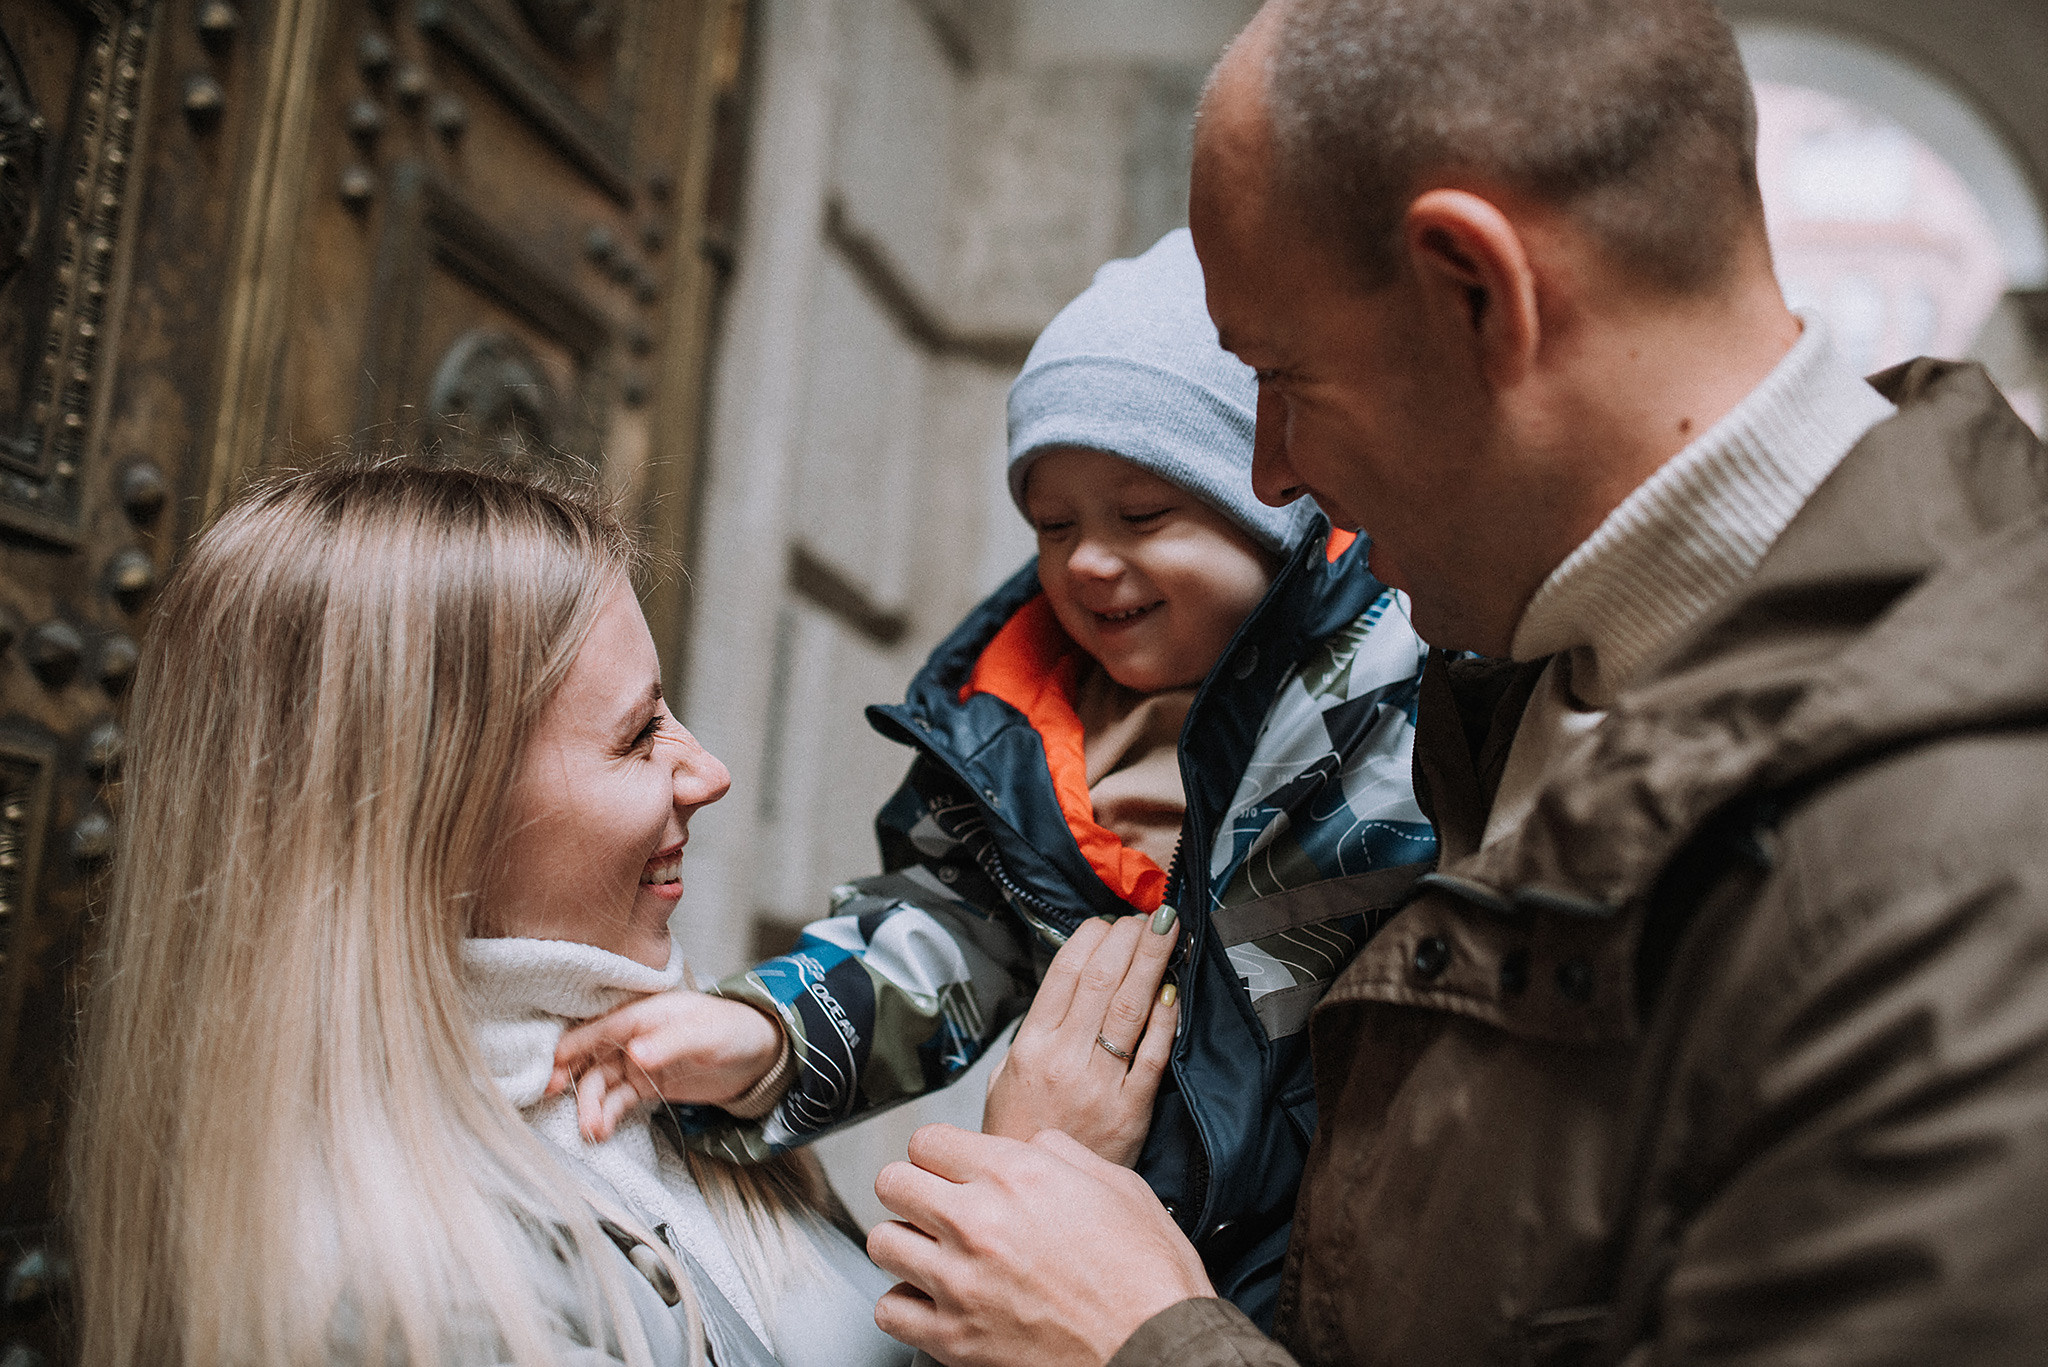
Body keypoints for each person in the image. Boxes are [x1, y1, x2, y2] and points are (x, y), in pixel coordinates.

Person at [860, 1, 2048, 1365]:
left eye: (1280, 376)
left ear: (1475, 294)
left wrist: (1138, 1335)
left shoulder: (1970, 875)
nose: (1269, 471)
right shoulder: (1493, 683)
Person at [552, 228, 1435, 1325]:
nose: (1089, 562)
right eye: (1050, 524)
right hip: (1104, 1256)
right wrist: (768, 1034)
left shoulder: (1397, 680)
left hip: (1343, 1264)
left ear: (1267, 505)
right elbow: (938, 929)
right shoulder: (1020, 728)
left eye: (1143, 514)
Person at [68, 464, 909, 1367]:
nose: (708, 774)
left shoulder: (665, 1067)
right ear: (428, 816)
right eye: (637, 735)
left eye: (667, 709)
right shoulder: (401, 1293)